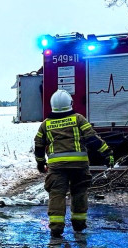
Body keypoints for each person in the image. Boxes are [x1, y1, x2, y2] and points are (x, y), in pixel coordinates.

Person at [34, 89, 113, 237]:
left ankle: (56, 227)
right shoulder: (78, 119)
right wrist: (107, 154)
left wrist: (40, 163)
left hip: (57, 167)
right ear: (70, 103)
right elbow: (92, 139)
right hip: (79, 165)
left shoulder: (46, 124)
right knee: (79, 193)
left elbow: (38, 144)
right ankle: (78, 224)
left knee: (57, 194)